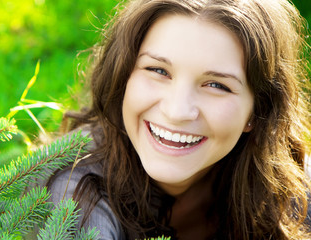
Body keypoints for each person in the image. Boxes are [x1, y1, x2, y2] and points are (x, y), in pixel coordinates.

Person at [47, 0, 311, 239]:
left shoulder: (292, 184)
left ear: (257, 111)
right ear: (124, 75)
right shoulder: (74, 185)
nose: (177, 111)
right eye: (158, 70)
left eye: (217, 85)